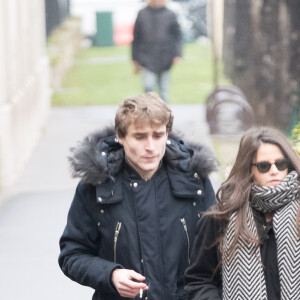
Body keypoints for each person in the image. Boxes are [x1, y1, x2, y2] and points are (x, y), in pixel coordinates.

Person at [59, 92, 217, 300]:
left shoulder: (195, 180)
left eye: (158, 135)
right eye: (140, 136)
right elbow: (72, 254)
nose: (150, 147)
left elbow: (215, 253)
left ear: (167, 134)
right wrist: (111, 274)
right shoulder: (96, 184)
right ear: (121, 136)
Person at [185, 126, 300, 300]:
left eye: (281, 163)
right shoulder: (221, 217)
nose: (274, 171)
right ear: (249, 169)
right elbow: (199, 280)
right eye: (264, 166)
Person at [131, 0, 182, 102]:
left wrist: (177, 53)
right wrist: (135, 58)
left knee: (164, 90)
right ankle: (149, 113)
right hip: (146, 57)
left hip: (166, 56)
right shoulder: (142, 13)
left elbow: (177, 36)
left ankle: (164, 115)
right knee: (148, 87)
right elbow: (136, 37)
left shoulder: (170, 14)